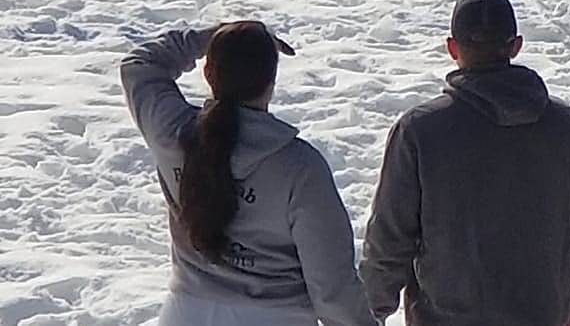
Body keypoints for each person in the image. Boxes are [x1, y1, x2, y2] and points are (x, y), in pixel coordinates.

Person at [361, 0, 570, 326]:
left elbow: (390, 237)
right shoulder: (566, 128)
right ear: (515, 46)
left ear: (452, 47)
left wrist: (370, 311)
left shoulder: (419, 131)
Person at [120, 21, 377, 326]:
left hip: (185, 313)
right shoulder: (300, 168)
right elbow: (332, 289)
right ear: (271, 82)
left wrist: (208, 38)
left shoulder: (171, 131)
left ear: (207, 73)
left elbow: (141, 64)